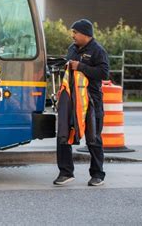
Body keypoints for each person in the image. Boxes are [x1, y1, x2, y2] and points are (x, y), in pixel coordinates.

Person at [53, 19, 110, 187]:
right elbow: (69, 72)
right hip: (72, 100)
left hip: (91, 101)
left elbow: (104, 73)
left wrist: (81, 66)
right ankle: (65, 172)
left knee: (93, 138)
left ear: (86, 34)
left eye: (75, 32)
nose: (73, 36)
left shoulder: (98, 51)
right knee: (63, 134)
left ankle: (97, 174)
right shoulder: (72, 49)